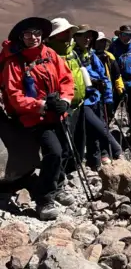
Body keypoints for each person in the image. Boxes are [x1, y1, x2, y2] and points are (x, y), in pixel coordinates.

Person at [1, 17, 75, 220]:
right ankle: (44, 199)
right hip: (33, 118)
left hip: (57, 112)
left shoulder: (50, 54)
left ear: (42, 35)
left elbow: (66, 79)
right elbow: (14, 96)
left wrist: (65, 100)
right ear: (20, 37)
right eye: (27, 34)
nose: (33, 38)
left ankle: (57, 185)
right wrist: (41, 106)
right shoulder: (14, 63)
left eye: (36, 33)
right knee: (54, 152)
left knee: (66, 150)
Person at [73, 26, 121, 168]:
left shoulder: (91, 54)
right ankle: (116, 150)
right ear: (76, 37)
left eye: (89, 36)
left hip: (96, 98)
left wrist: (108, 98)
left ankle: (95, 163)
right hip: (83, 100)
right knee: (99, 128)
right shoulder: (74, 55)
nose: (87, 39)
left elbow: (104, 77)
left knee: (94, 132)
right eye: (84, 36)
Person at [47, 17, 88, 164]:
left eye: (68, 31)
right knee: (65, 141)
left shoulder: (72, 52)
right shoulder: (51, 55)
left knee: (78, 137)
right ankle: (63, 172)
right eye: (64, 31)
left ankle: (75, 165)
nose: (68, 34)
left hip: (79, 101)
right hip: (64, 104)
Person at [94, 32, 124, 123]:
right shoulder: (89, 56)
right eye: (100, 41)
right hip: (94, 93)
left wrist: (120, 90)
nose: (102, 44)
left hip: (108, 92)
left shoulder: (109, 56)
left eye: (103, 42)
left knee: (108, 115)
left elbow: (117, 75)